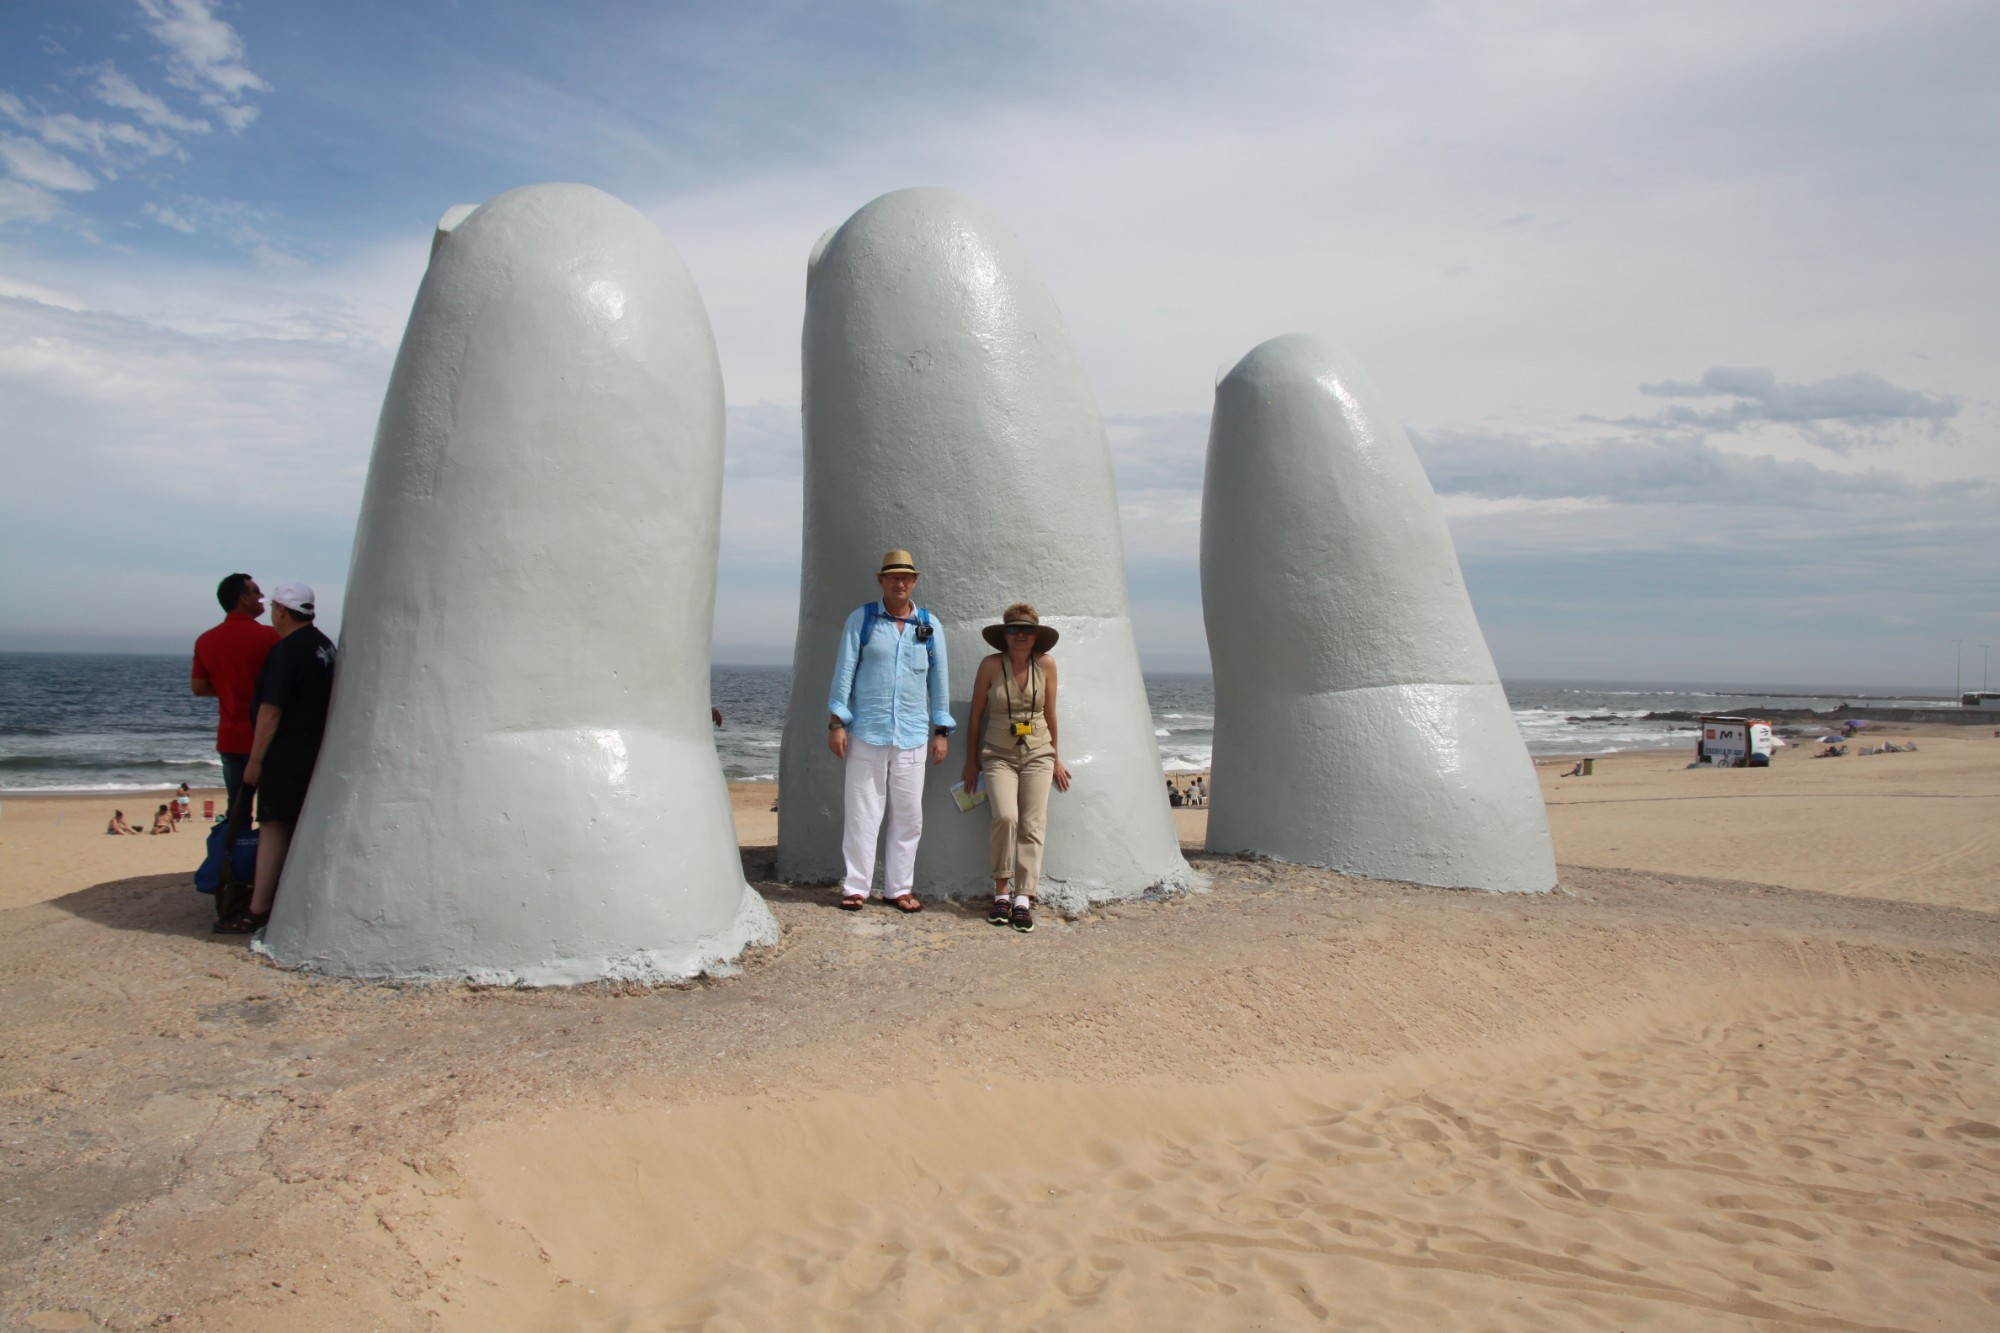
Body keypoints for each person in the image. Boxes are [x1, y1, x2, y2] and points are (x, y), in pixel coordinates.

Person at [826, 550, 953, 913]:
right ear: (880, 580)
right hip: (867, 731)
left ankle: (898, 888)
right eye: (893, 577)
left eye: (907, 577)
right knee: (862, 813)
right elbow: (844, 671)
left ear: (915, 582)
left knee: (909, 815)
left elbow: (938, 680)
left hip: (913, 735)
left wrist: (941, 730)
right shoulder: (862, 620)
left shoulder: (929, 625)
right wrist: (837, 722)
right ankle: (855, 887)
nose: (900, 583)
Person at [216, 583, 336, 934]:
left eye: (274, 608)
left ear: (282, 610)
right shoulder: (324, 644)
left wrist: (255, 760)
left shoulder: (287, 650)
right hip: (315, 749)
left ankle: (259, 908)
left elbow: (270, 710)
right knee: (297, 824)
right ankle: (290, 896)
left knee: (272, 826)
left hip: (285, 753)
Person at [961, 604, 1071, 933]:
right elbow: (976, 716)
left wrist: (1056, 757)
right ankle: (1001, 892)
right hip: (997, 753)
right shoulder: (990, 665)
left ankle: (1024, 898)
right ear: (1004, 635)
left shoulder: (1047, 665)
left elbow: (1050, 714)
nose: (1020, 634)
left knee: (1033, 823)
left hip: (1039, 751)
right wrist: (971, 760)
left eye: (1026, 629)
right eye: (1013, 629)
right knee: (1006, 817)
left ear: (1036, 635)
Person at [191, 573, 280, 818]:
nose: (262, 596)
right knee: (274, 812)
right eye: (256, 591)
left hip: (230, 738)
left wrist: (227, 688)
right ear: (243, 598)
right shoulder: (271, 637)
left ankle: (233, 855)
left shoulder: (206, 640)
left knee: (237, 810)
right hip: (267, 738)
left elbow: (199, 688)